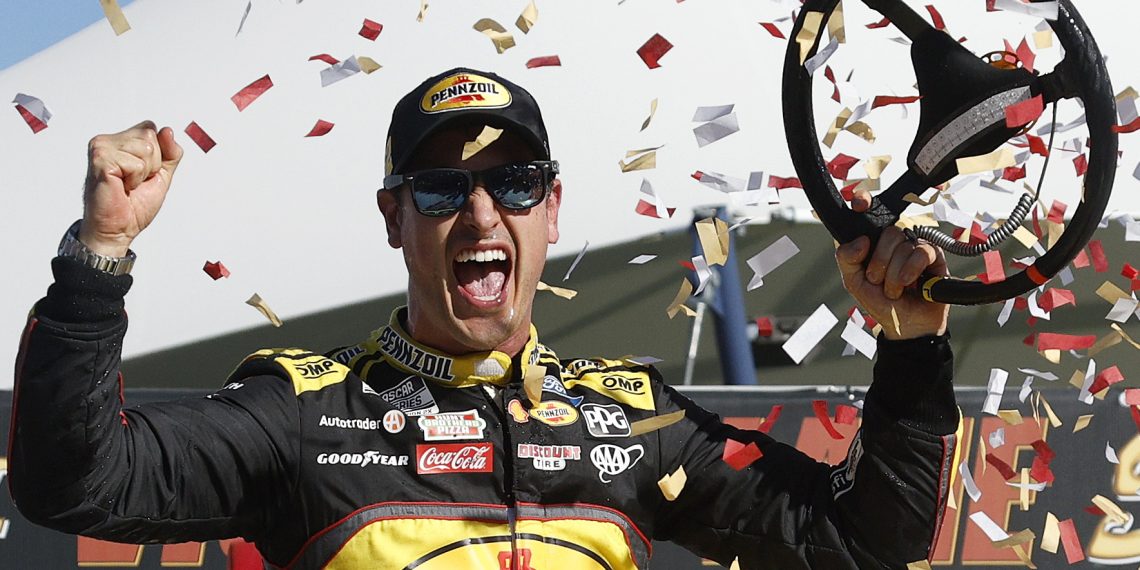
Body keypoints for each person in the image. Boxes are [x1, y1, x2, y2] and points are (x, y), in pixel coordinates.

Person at [9, 67, 958, 569]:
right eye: (437, 188)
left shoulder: (633, 423)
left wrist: (913, 351)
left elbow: (866, 539)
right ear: (392, 217)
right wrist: (99, 259)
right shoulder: (304, 410)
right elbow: (73, 484)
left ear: (550, 210)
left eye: (511, 182)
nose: (479, 214)